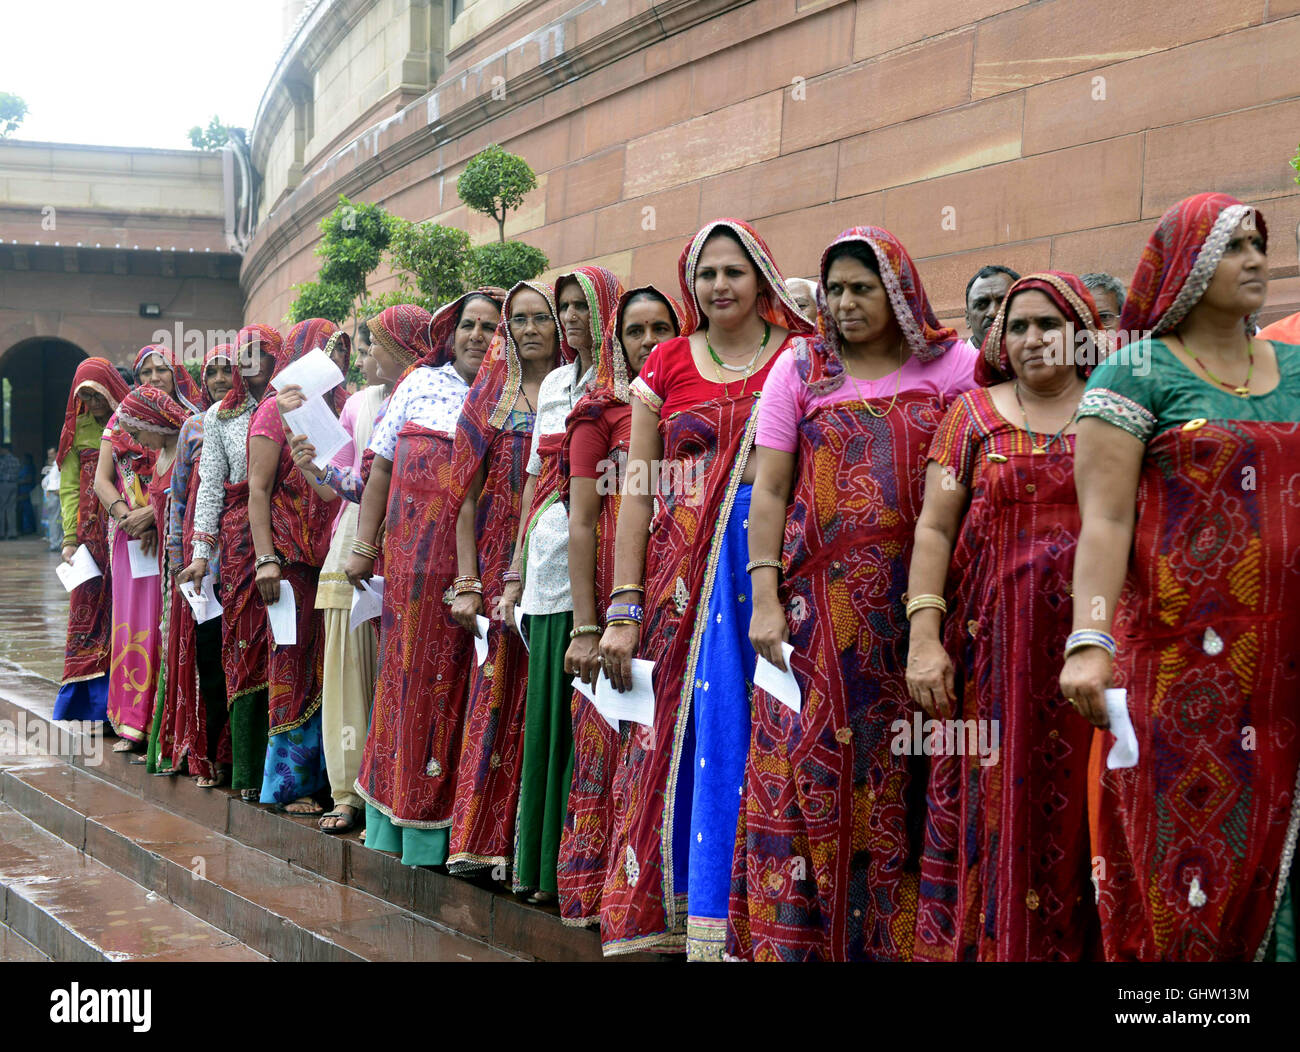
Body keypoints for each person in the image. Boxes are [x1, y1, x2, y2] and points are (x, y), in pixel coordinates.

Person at [1061, 192, 1300, 961]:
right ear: (1188, 269)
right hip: (1178, 670)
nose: (1255, 260)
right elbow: (1104, 522)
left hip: (1290, 666)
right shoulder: (1135, 375)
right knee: (1183, 860)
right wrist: (1088, 639)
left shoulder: (1297, 367)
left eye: (1259, 244)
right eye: (1233, 248)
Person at [734, 226, 977, 961]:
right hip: (819, 618)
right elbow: (770, 489)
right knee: (812, 768)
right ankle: (803, 941)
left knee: (910, 771)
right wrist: (766, 597)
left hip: (925, 611)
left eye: (861, 288)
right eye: (834, 289)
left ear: (899, 289)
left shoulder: (953, 364)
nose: (843, 302)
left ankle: (901, 942)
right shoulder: (802, 368)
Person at [598, 218, 813, 959]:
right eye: (708, 274)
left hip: (772, 565)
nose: (720, 286)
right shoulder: (665, 363)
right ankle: (689, 912)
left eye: (734, 272)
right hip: (682, 577)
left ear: (762, 278)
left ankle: (761, 917)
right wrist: (623, 606)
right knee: (683, 731)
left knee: (768, 733)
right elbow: (637, 492)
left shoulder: (801, 357)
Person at [907, 272, 1102, 962]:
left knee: (1088, 819)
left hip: (1092, 659)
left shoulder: (1115, 412)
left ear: (1080, 332)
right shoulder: (972, 415)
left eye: (1048, 323)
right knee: (996, 815)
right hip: (993, 662)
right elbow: (934, 528)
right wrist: (924, 639)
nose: (1031, 339)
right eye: (1017, 326)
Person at [347, 293, 501, 863]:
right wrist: (365, 546)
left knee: (453, 684)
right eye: (468, 325)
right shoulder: (419, 383)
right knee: (401, 678)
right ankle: (390, 821)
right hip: (408, 560)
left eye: (490, 327)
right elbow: (382, 465)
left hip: (471, 564)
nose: (477, 336)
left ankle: (437, 831)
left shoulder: (507, 395)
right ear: (450, 332)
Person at [557, 284, 688, 927]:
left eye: (662, 327)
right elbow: (582, 524)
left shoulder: (693, 403)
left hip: (682, 592)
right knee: (607, 739)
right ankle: (600, 894)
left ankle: (663, 896)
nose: (649, 342)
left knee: (662, 740)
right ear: (617, 340)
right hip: (618, 598)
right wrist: (588, 624)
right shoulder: (598, 416)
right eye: (635, 331)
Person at [447, 281, 566, 878]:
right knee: (495, 692)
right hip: (495, 565)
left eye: (541, 317)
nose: (528, 329)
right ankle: (482, 841)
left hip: (554, 565)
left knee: (544, 697)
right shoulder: (490, 396)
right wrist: (469, 581)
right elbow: (462, 499)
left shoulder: (576, 389)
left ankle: (530, 851)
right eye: (516, 320)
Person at [274, 329, 386, 834]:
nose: (360, 358)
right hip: (350, 553)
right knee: (347, 676)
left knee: (393, 676)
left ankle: (390, 794)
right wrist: (310, 465)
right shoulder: (357, 406)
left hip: (407, 552)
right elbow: (330, 491)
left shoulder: (435, 394)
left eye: (368, 347)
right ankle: (347, 793)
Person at [179, 324, 282, 801]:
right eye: (245, 357)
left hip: (299, 528)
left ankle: (292, 774)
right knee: (245, 645)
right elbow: (211, 489)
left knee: (293, 647)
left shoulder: (296, 401)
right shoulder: (221, 416)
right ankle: (247, 768)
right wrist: (202, 555)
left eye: (262, 354)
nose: (251, 365)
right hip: (242, 541)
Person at [245, 319, 341, 814]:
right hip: (288, 561)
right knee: (292, 666)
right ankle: (289, 786)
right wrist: (266, 560)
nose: (337, 360)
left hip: (335, 562)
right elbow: (257, 491)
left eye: (340, 351)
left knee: (332, 669)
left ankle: (331, 780)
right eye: (326, 351)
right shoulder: (272, 412)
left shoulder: (339, 409)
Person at [95, 345, 203, 753]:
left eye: (162, 370)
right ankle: (130, 722)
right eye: (146, 372)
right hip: (130, 540)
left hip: (169, 535)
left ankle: (165, 720)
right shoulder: (121, 421)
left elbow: (190, 491)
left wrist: (154, 517)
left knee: (167, 623)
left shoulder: (190, 424)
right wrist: (127, 515)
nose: (154, 378)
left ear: (176, 374)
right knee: (132, 622)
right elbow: (102, 480)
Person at [154, 345, 234, 786]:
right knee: (209, 658)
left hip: (246, 558)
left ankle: (238, 754)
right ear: (203, 380)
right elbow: (179, 500)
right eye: (214, 372)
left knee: (240, 660)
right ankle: (212, 754)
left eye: (229, 370)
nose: (221, 379)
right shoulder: (194, 428)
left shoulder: (255, 418)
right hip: (203, 570)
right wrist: (178, 563)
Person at [54, 359, 129, 722]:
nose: (93, 403)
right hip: (88, 536)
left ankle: (126, 705)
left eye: (97, 395)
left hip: (127, 531)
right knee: (87, 615)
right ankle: (90, 707)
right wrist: (70, 537)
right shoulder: (75, 430)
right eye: (84, 396)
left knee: (125, 613)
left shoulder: (132, 421)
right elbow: (69, 488)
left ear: (110, 388)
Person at [964, 265, 1020, 352]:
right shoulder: (946, 364)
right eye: (981, 304)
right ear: (968, 318)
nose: (994, 312)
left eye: (1004, 302)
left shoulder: (1045, 361)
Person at [41, 447, 63, 551]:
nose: (50, 456)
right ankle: (55, 543)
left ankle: (56, 543)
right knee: (54, 520)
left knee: (55, 520)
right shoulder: (54, 465)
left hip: (55, 493)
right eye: (49, 454)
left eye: (52, 453)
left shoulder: (57, 464)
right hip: (53, 494)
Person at [0, 444, 20, 539]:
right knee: (11, 509)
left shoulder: (3, 460)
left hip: (4, 484)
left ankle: (2, 533)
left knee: (2, 509)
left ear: (5, 449)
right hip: (14, 484)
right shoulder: (16, 460)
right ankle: (12, 533)